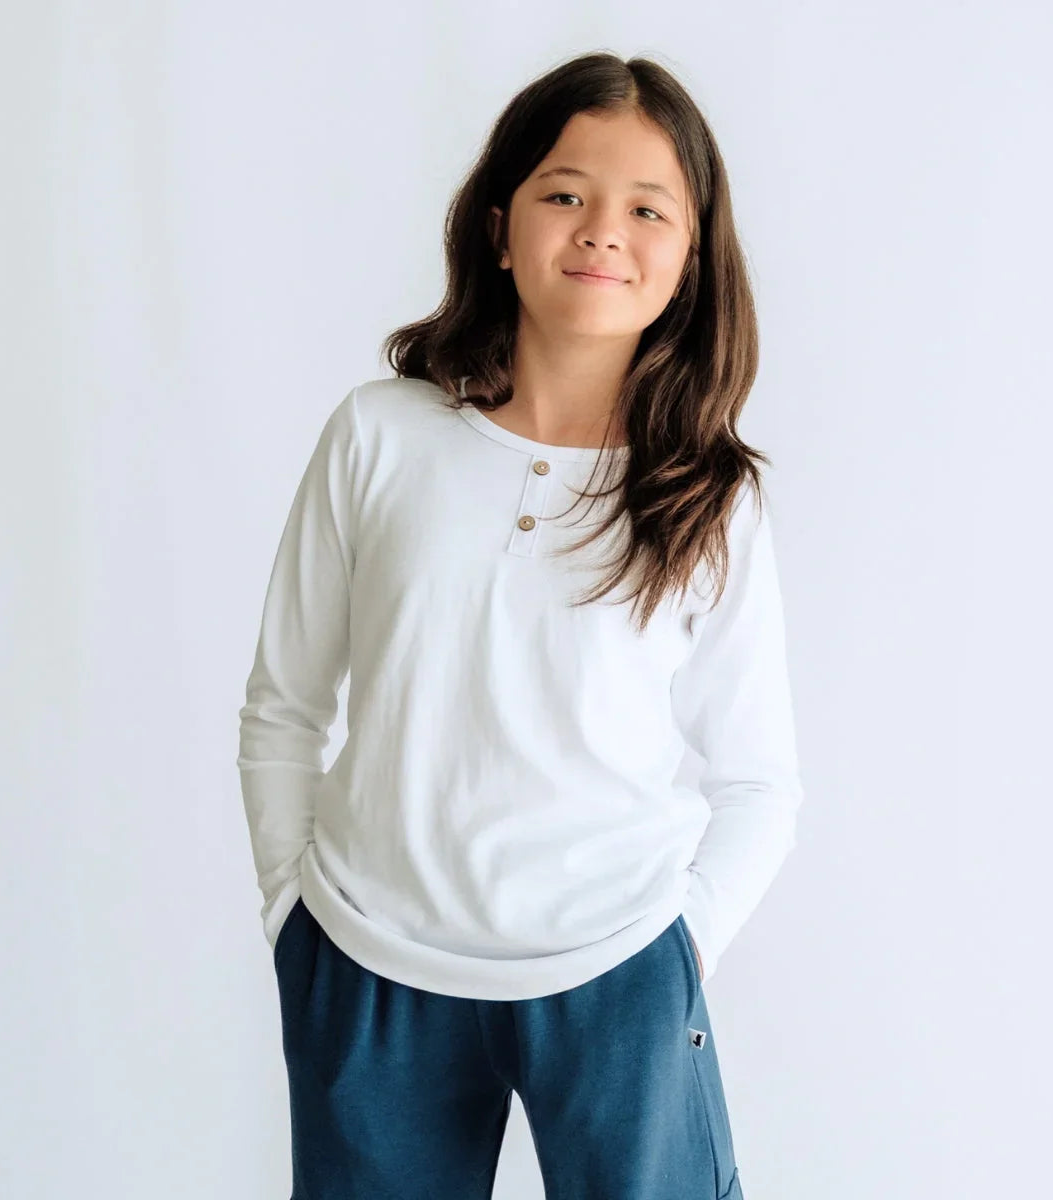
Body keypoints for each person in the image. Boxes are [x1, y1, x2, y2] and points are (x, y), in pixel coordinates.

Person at [237, 50, 803, 1200]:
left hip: (617, 968)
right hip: (369, 958)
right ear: (500, 228)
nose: (603, 230)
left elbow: (760, 782)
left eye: (650, 209)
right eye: (565, 194)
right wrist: (294, 911)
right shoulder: (380, 436)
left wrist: (673, 956)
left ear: (690, 263)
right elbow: (285, 705)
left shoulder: (706, 493)